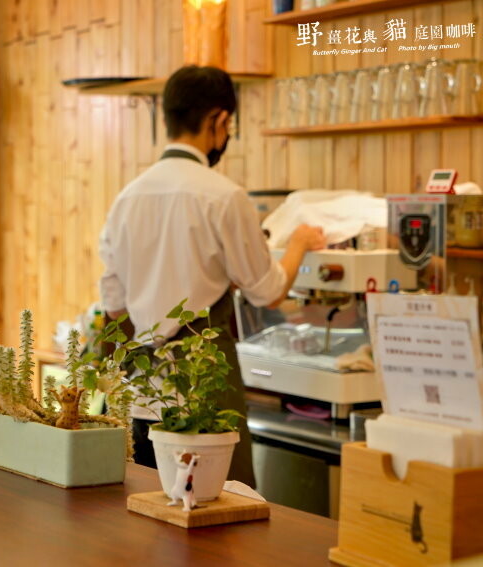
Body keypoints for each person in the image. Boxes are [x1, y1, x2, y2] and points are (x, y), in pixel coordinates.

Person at [97, 65, 326, 487]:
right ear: (218, 120)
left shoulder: (126, 199)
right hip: (204, 388)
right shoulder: (223, 196)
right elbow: (270, 292)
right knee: (216, 518)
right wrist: (298, 243)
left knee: (144, 515)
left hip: (138, 392)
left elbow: (114, 306)